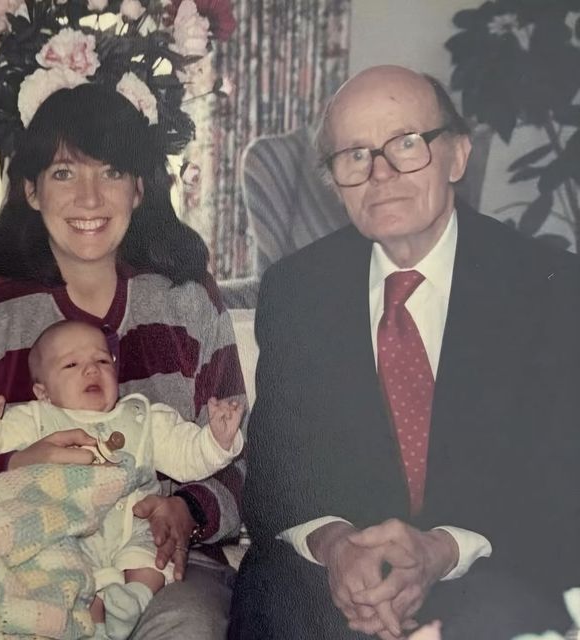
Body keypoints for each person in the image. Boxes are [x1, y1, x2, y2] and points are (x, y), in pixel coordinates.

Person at [228, 65, 580, 639]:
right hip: (334, 576)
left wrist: (441, 549)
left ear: (457, 157)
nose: (381, 173)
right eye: (356, 155)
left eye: (406, 144)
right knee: (275, 606)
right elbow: (275, 475)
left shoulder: (549, 284)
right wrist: (335, 543)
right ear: (335, 181)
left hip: (490, 564)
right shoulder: (297, 289)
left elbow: (562, 478)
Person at [0, 83, 247, 639]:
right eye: (65, 173)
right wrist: (17, 466)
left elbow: (242, 460)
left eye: (112, 172)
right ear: (32, 190)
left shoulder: (188, 301)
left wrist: (188, 511)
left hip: (163, 567)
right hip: (26, 560)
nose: (90, 199)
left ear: (139, 189)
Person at [0, 320, 244, 639]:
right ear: (42, 392)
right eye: (71, 364)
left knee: (154, 551)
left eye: (101, 360)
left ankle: (135, 598)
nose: (91, 370)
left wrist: (217, 440)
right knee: (64, 573)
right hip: (67, 533)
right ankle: (92, 626)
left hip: (134, 525)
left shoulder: (143, 416)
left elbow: (187, 457)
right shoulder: (33, 419)